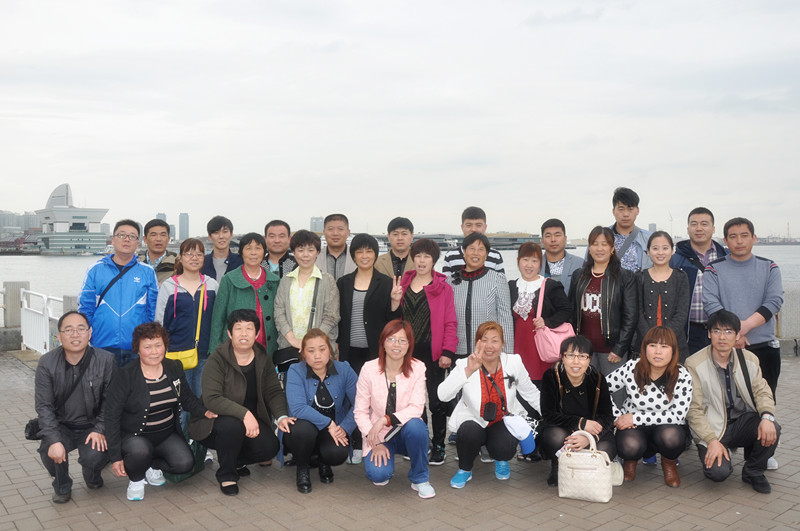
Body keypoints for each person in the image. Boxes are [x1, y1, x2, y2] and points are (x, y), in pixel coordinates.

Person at [106, 322, 216, 501]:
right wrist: (115, 456)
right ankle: (136, 480)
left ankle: (151, 465)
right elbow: (111, 416)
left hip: (165, 434)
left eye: (158, 345)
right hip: (135, 436)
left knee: (185, 464)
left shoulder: (173, 367)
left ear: (165, 346)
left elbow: (186, 397)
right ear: (138, 349)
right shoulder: (125, 375)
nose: (154, 352)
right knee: (139, 451)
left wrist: (204, 412)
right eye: (147, 347)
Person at [189, 309, 291, 496]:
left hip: (250, 421)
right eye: (238, 328)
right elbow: (212, 398)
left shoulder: (262, 357)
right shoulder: (217, 358)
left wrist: (282, 415)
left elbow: (273, 391)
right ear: (230, 333)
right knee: (232, 426)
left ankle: (235, 460)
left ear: (257, 333)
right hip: (216, 421)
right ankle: (227, 474)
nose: (244, 334)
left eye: (249, 328)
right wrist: (245, 414)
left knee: (269, 448)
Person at [685, 310, 780, 494]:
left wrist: (767, 416)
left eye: (728, 332)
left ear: (737, 335)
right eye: (717, 331)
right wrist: (711, 441)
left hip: (742, 423)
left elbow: (762, 391)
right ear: (709, 334)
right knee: (718, 473)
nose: (722, 337)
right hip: (713, 428)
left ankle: (753, 471)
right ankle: (721, 449)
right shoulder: (694, 364)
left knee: (772, 426)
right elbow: (693, 410)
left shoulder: (749, 359)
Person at [438, 322, 541, 488]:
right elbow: (442, 395)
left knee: (505, 445)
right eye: (484, 340)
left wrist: (551, 414)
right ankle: (465, 469)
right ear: (477, 343)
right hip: (473, 418)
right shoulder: (465, 363)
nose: (489, 346)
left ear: (502, 343)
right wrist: (468, 371)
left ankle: (501, 459)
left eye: (495, 340)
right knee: (468, 432)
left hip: (503, 419)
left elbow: (530, 392)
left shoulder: (513, 362)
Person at [35, 311, 117, 503]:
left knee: (94, 455)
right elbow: (44, 406)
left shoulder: (106, 360)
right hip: (62, 425)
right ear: (59, 336)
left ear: (90, 333)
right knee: (49, 450)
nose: (75, 334)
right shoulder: (47, 363)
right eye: (68, 330)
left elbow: (112, 401)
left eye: (81, 329)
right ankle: (62, 485)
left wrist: (100, 429)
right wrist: (54, 440)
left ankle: (92, 474)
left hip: (92, 425)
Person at [703, 217, 783, 403]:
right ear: (725, 240)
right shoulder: (713, 269)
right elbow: (711, 303)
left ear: (754, 238)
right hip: (724, 349)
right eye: (733, 236)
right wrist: (733, 335)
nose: (739, 241)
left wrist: (742, 328)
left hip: (763, 347)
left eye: (744, 235)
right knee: (724, 404)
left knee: (764, 403)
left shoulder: (769, 267)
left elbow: (774, 301)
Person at [353, 320, 435, 499]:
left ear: (409, 345)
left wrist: (385, 419)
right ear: (383, 342)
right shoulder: (369, 369)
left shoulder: (418, 368)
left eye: (402, 340)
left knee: (417, 426)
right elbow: (360, 411)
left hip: (407, 431)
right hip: (378, 435)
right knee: (378, 476)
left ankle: (420, 478)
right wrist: (375, 442)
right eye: (391, 339)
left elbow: (417, 407)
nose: (396, 345)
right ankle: (384, 458)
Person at [606, 326, 692, 488]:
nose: (658, 351)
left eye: (664, 346)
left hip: (666, 426)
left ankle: (669, 463)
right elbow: (602, 389)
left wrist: (636, 418)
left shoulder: (682, 374)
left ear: (673, 351)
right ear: (644, 348)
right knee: (629, 444)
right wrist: (618, 416)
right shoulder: (632, 367)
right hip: (633, 428)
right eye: (653, 345)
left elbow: (678, 415)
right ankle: (630, 462)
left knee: (672, 437)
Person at [400, 238, 458, 465]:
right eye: (418, 256)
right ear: (413, 258)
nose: (422, 260)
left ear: (434, 260)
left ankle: (439, 445)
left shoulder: (443, 288)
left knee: (436, 401)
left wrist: (448, 352)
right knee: (414, 402)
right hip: (407, 354)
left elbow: (450, 322)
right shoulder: (403, 284)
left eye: (427, 256)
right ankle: (421, 441)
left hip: (434, 354)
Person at [283, 329, 358, 493]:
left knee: (337, 453)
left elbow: (360, 403)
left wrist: (344, 427)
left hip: (332, 429)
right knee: (303, 430)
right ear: (303, 353)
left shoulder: (344, 369)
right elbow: (298, 408)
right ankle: (302, 468)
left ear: (330, 350)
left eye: (322, 349)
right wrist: (329, 423)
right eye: (311, 351)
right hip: (303, 430)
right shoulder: (296, 371)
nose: (317, 356)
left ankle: (324, 462)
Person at [79, 219, 158, 367]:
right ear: (113, 239)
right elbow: (85, 307)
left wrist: (148, 339)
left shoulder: (147, 272)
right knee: (102, 382)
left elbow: (153, 310)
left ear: (138, 242)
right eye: (122, 235)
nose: (127, 239)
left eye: (132, 236)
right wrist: (88, 335)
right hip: (102, 344)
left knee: (135, 382)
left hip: (137, 346)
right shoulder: (95, 270)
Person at [539, 335, 616, 487]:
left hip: (592, 430)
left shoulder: (597, 379)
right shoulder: (551, 376)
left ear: (589, 359)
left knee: (605, 448)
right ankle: (559, 465)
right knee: (555, 437)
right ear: (562, 357)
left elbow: (607, 416)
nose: (576, 362)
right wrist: (581, 423)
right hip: (563, 428)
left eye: (582, 356)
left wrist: (588, 437)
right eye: (570, 355)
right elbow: (548, 414)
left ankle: (586, 472)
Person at [568, 226, 638, 376]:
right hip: (583, 351)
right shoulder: (579, 275)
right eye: (594, 244)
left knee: (613, 390)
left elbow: (630, 317)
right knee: (586, 389)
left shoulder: (625, 277)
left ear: (612, 248)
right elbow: (571, 311)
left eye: (604, 244)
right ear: (589, 248)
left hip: (611, 352)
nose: (599, 248)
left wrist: (619, 349)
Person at [155, 238, 219, 396]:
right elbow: (159, 321)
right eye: (189, 254)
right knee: (180, 401)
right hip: (176, 353)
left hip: (205, 353)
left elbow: (218, 319)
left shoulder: (212, 285)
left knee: (203, 398)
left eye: (199, 254)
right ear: (181, 258)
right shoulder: (168, 286)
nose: (194, 258)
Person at [274, 230, 340, 369]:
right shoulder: (286, 280)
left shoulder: (327, 280)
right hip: (289, 348)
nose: (305, 255)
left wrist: (311, 342)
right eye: (300, 250)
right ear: (294, 252)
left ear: (317, 252)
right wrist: (293, 339)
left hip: (319, 350)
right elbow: (279, 312)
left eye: (310, 250)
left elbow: (332, 316)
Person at [338, 234, 402, 374]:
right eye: (359, 252)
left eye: (369, 251)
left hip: (376, 350)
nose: (364, 256)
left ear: (375, 254)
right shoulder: (343, 283)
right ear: (354, 256)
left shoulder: (386, 283)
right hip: (347, 351)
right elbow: (338, 317)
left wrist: (395, 301)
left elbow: (393, 321)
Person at [209, 233, 280, 356]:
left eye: (258, 248)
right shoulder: (229, 279)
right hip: (235, 348)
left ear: (264, 252)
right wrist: (214, 351)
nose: (253, 253)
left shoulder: (274, 281)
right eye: (248, 248)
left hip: (266, 348)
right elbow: (218, 319)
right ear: (241, 252)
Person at [509, 242, 571, 384]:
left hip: (540, 349)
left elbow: (567, 310)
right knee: (517, 384)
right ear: (518, 261)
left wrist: (547, 322)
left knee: (541, 386)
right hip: (517, 346)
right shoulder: (511, 286)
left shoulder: (550, 285)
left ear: (540, 264)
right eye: (525, 260)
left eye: (534, 261)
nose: (529, 265)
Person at [670, 207, 728, 355]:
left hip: (721, 330)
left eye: (704, 224)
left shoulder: (726, 258)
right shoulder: (675, 260)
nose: (699, 228)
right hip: (688, 331)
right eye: (694, 224)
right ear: (688, 229)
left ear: (713, 229)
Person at [448, 232, 514, 359]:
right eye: (471, 248)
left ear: (487, 254)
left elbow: (505, 318)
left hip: (488, 352)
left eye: (481, 249)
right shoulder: (450, 281)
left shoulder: (497, 279)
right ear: (464, 252)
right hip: (457, 351)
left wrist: (507, 355)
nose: (475, 253)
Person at [637, 231, 691, 362]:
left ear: (672, 251)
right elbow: (637, 312)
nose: (660, 252)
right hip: (645, 344)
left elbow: (682, 313)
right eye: (655, 248)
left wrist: (665, 338)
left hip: (675, 344)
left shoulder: (681, 277)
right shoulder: (639, 277)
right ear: (648, 252)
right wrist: (651, 339)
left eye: (665, 248)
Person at [442, 206, 505, 275]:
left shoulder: (495, 256)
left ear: (485, 227)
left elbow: (501, 280)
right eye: (469, 225)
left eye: (478, 225)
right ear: (462, 227)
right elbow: (445, 281)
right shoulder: (451, 256)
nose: (473, 229)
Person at [609, 187, 652, 272]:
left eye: (630, 209)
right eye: (621, 209)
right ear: (613, 211)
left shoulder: (650, 239)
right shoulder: (601, 237)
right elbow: (588, 266)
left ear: (637, 211)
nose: (626, 214)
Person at [539, 218, 584, 295]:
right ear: (542, 241)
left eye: (557, 235)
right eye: (548, 236)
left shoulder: (580, 264)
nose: (553, 239)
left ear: (565, 239)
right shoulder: (534, 265)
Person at [201, 215, 243, 280]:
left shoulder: (241, 262)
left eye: (225, 232)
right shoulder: (201, 263)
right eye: (216, 233)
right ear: (210, 237)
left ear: (231, 234)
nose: (221, 236)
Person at [315, 213, 356, 280]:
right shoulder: (314, 257)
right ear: (324, 232)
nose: (335, 233)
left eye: (340, 229)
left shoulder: (357, 257)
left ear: (348, 232)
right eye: (330, 229)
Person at [139, 218, 177, 286]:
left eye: (163, 235)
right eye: (153, 235)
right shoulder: (134, 263)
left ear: (168, 239)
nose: (158, 239)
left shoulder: (179, 264)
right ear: (145, 239)